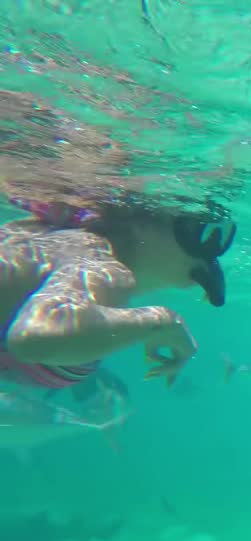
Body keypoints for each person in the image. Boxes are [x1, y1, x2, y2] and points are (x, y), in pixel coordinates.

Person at [0, 90, 235, 388]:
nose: (210, 255)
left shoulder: (51, 244)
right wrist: (161, 321)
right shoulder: (97, 258)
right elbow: (36, 337)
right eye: (197, 230)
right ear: (142, 224)